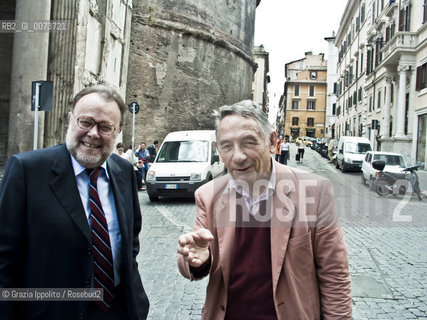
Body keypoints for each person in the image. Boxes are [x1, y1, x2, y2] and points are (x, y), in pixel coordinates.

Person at [177, 100, 352, 319]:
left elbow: (334, 275)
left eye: (248, 142)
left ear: (271, 141)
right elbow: (193, 258)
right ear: (218, 151)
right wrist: (197, 259)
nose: (238, 156)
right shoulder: (208, 195)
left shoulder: (314, 192)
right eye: (227, 146)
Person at [0, 85, 149, 319]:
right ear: (71, 120)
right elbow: (4, 260)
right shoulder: (28, 170)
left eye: (105, 127)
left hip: (118, 309)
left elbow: (130, 243)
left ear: (118, 131)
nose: (93, 134)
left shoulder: (124, 172)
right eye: (86, 122)